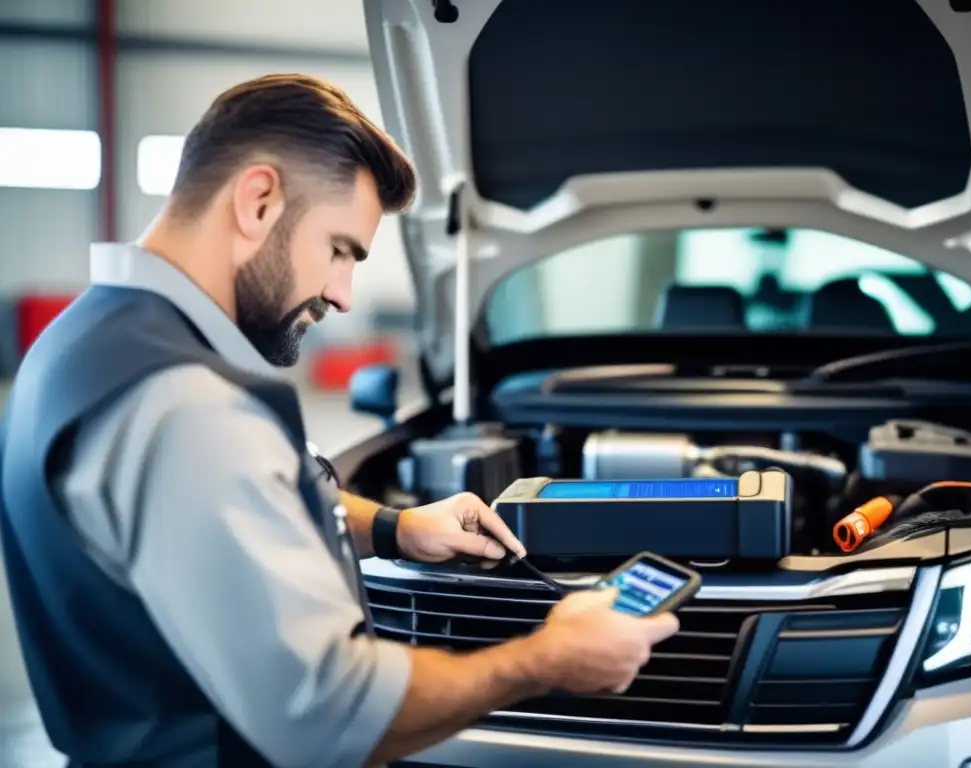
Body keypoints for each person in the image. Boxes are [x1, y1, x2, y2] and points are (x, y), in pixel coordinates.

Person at [0, 73, 680, 767]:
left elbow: (252, 504)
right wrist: (547, 660)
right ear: (258, 201)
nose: (343, 294)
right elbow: (334, 717)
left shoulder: (80, 344)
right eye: (340, 250)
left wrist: (395, 527)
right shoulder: (186, 404)